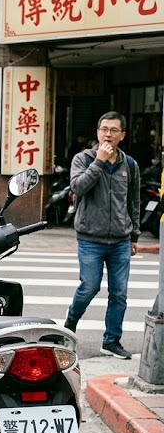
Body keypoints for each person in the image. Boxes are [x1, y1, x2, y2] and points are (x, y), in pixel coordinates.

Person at [64, 112, 140, 359]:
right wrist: (98, 162)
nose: (108, 134)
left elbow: (133, 202)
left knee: (119, 293)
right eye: (104, 129)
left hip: (120, 239)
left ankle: (111, 341)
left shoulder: (129, 164)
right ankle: (69, 326)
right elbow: (78, 188)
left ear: (122, 135)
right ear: (97, 132)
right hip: (90, 239)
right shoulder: (83, 159)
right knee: (89, 287)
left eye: (114, 130)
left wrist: (135, 236)